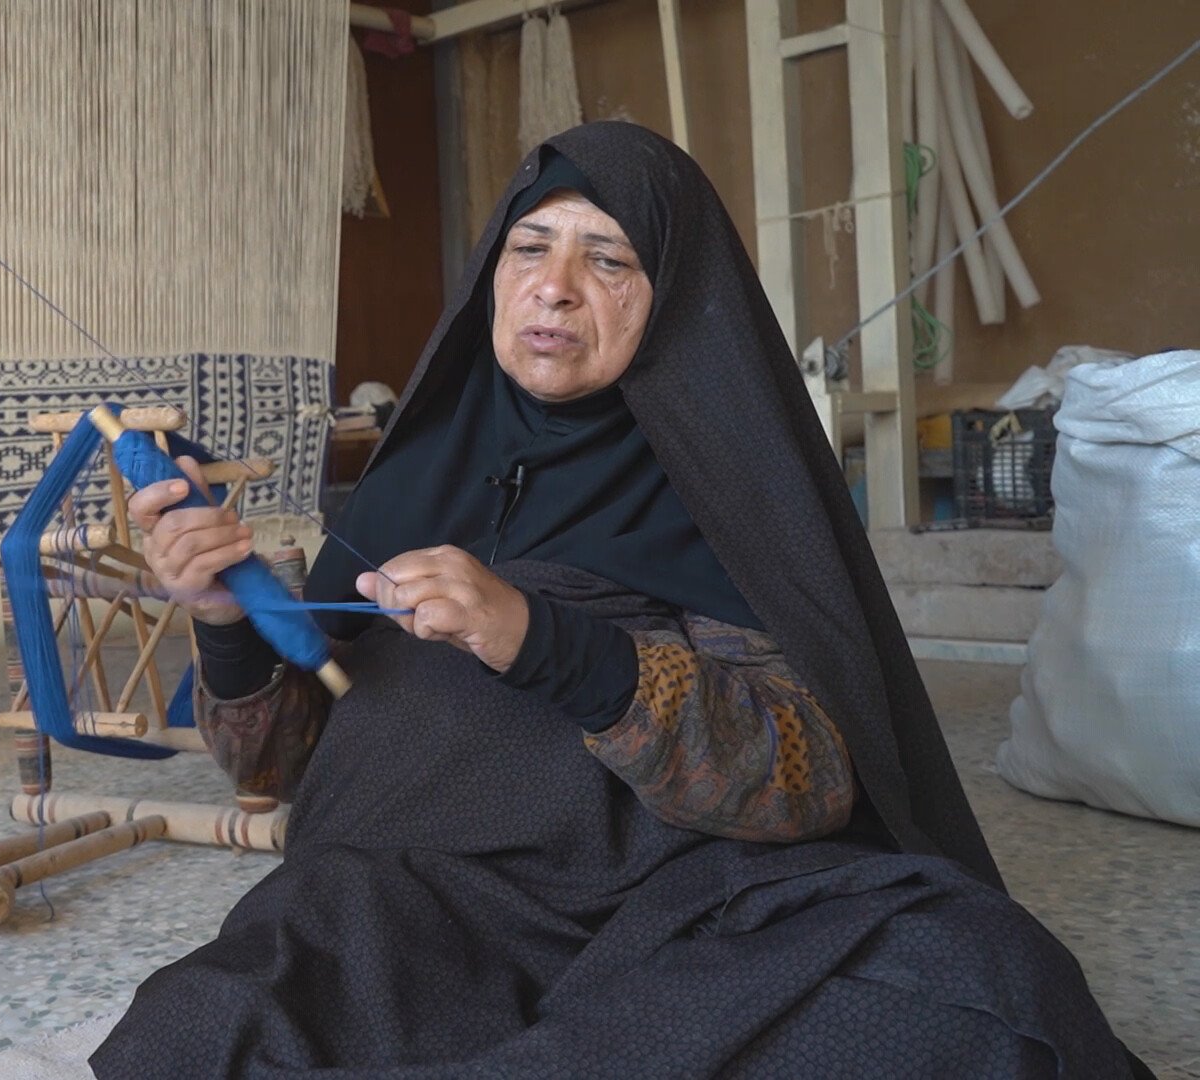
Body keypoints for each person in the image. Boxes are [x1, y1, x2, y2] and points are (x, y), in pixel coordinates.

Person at [89, 122, 1147, 1078]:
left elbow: (807, 782)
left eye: (608, 259)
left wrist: (543, 640)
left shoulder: (727, 491)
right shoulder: (411, 475)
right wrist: (225, 623)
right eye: (529, 248)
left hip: (678, 908)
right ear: (492, 277)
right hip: (401, 901)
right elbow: (277, 769)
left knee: (971, 980)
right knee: (200, 1027)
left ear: (673, 292)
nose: (555, 288)